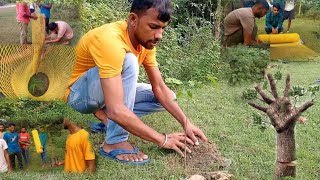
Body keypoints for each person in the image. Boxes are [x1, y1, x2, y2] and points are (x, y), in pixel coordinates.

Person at [64, 0, 207, 165]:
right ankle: (114, 141)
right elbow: (116, 109)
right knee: (129, 61)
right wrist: (162, 139)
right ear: (133, 19)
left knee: (164, 97)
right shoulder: (111, 40)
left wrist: (186, 122)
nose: (159, 35)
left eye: (163, 28)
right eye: (154, 27)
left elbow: (159, 88)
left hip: (103, 91)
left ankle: (109, 124)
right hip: (78, 95)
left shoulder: (146, 43)